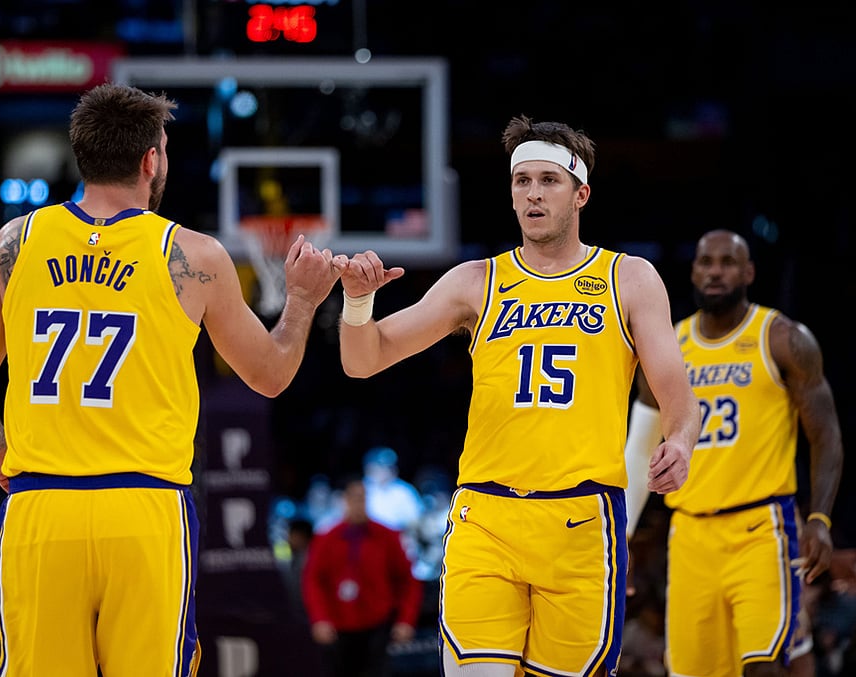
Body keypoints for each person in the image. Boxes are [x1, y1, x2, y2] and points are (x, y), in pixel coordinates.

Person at [0, 82, 344, 676]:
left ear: (83, 155)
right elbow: (270, 375)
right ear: (150, 159)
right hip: (144, 511)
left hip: (42, 510)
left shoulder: (15, 243)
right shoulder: (194, 257)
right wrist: (303, 302)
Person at [336, 113, 700, 676]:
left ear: (581, 193)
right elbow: (363, 361)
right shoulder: (475, 281)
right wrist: (358, 303)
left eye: (548, 180)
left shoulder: (628, 278)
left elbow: (678, 394)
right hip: (487, 518)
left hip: (581, 523)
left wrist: (679, 441)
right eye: (521, 180)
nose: (533, 193)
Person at [624, 229, 844, 676]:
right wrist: (620, 536)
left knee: (765, 665)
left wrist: (820, 519)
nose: (716, 272)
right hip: (688, 534)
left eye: (728, 263)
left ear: (748, 272)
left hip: (761, 529)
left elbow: (827, 436)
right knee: (690, 671)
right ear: (693, 272)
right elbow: (640, 449)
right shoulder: (669, 347)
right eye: (706, 262)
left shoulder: (783, 337)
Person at [301, 475, 423, 677]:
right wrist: (319, 618)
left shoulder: (387, 535)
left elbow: (408, 580)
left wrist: (406, 620)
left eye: (363, 497)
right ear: (344, 500)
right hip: (338, 627)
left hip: (377, 625)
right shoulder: (327, 538)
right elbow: (313, 581)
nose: (359, 503)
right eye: (354, 497)